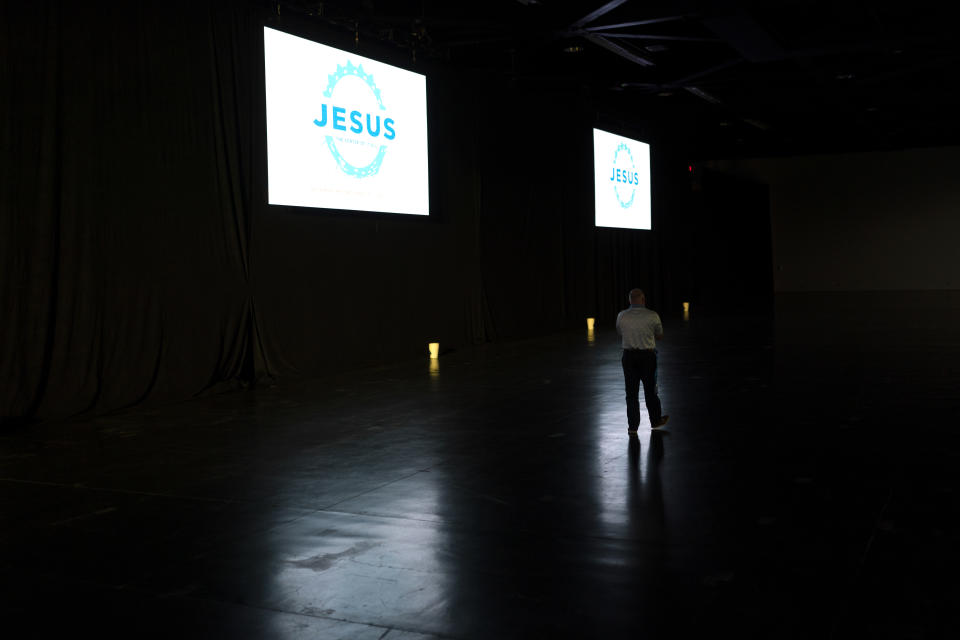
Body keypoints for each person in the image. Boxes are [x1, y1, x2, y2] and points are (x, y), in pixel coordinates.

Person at [616, 288, 669, 434]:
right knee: (650, 391)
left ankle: (633, 427)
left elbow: (620, 332)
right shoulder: (652, 315)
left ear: (629, 300)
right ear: (643, 299)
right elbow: (659, 335)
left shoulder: (622, 316)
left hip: (629, 357)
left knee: (631, 393)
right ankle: (655, 420)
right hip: (647, 358)